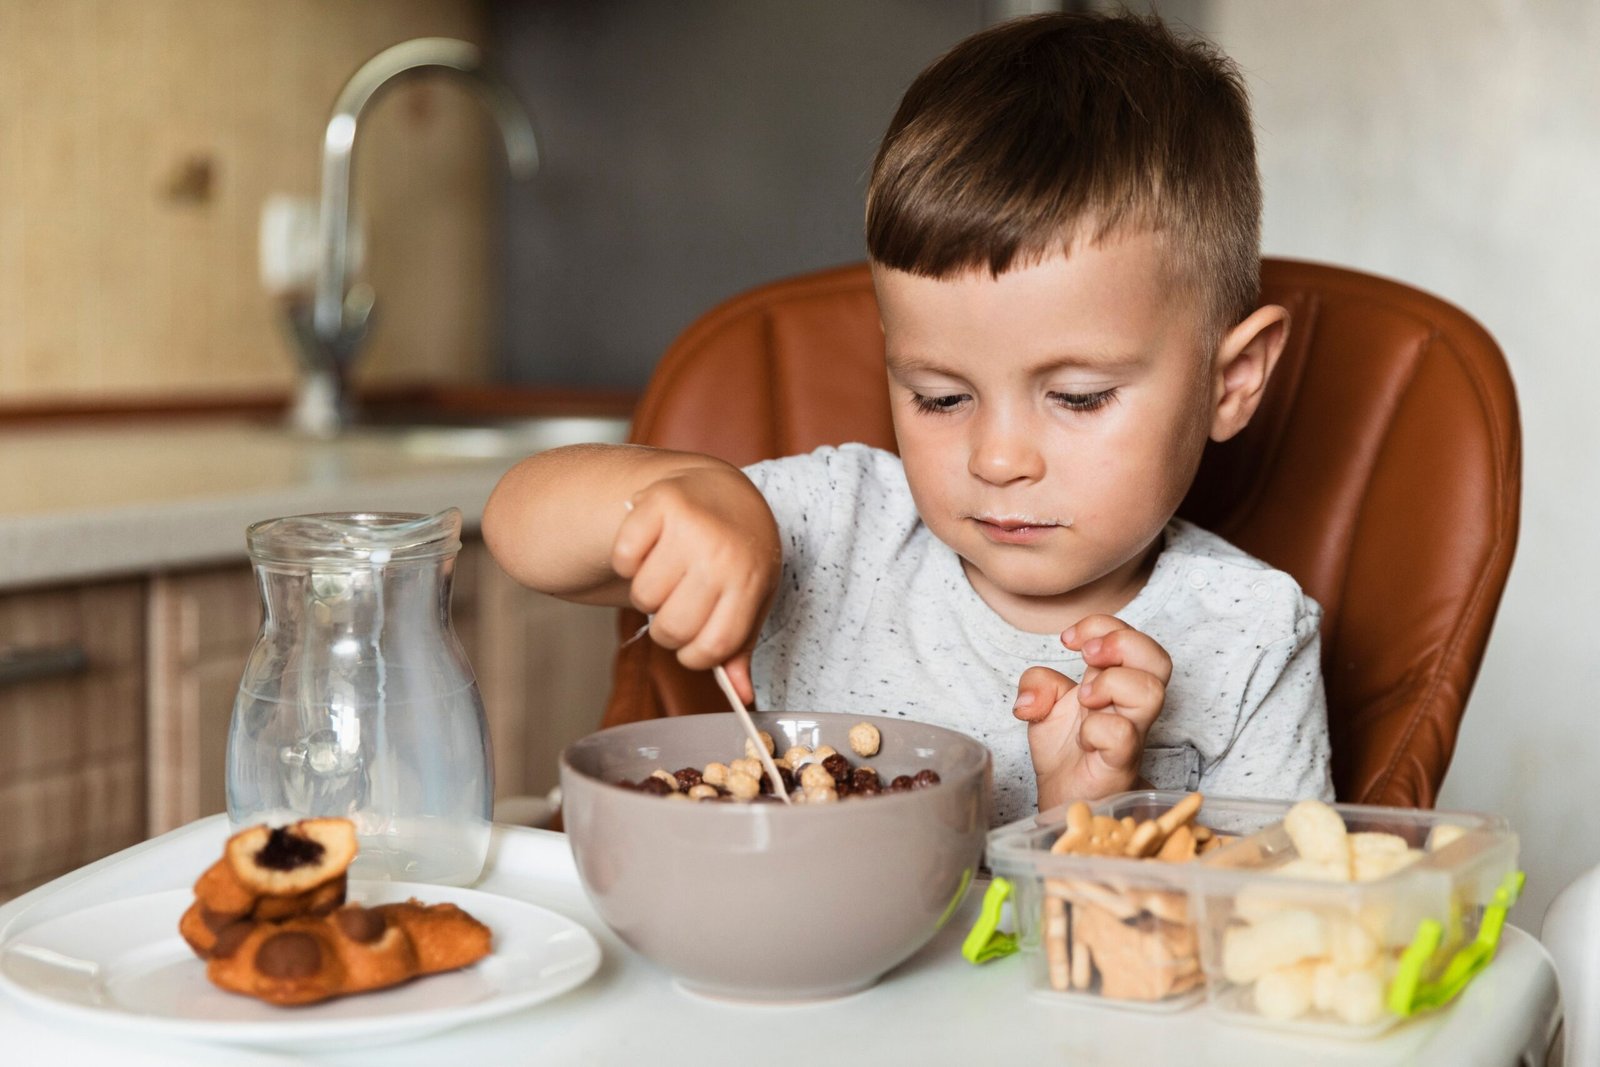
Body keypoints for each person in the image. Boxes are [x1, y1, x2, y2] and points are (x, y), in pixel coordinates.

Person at [483, 12, 1333, 824]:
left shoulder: (1250, 637)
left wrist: (1091, 821)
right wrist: (681, 494)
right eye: (940, 397)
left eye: (1077, 397)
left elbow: (1281, 914)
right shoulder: (832, 530)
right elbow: (519, 528)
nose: (997, 458)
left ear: (1231, 382)